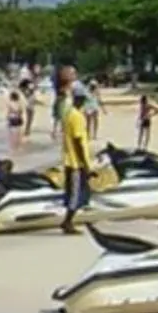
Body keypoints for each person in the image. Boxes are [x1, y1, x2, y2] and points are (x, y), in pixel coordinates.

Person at [61, 84, 94, 233]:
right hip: (75, 162)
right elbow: (78, 141)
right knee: (75, 193)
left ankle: (68, 220)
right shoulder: (77, 116)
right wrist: (85, 164)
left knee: (74, 192)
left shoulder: (69, 113)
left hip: (69, 159)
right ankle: (67, 222)